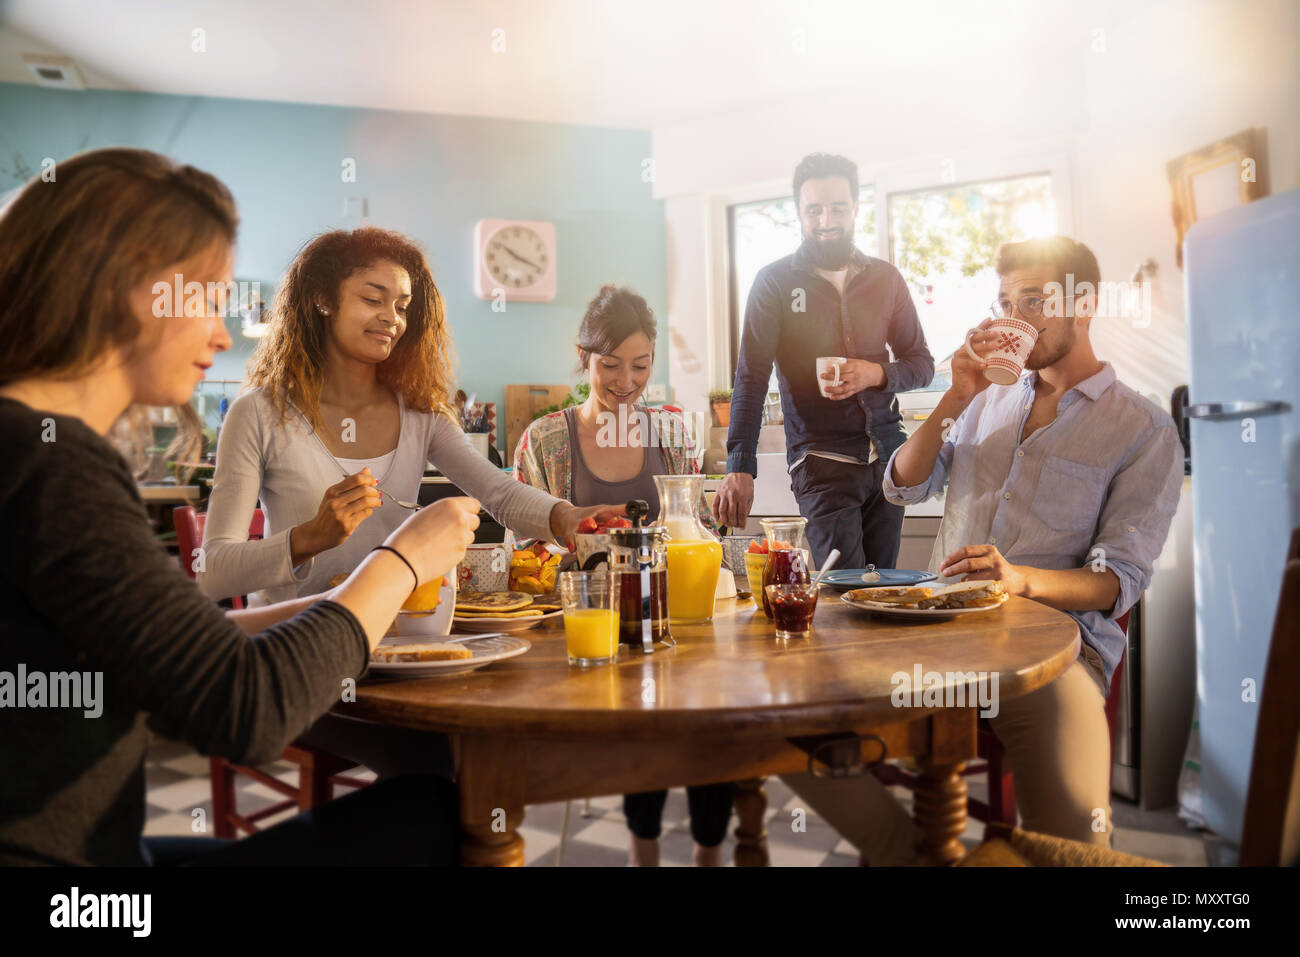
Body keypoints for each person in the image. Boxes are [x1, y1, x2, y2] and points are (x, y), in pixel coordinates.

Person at [0, 148, 478, 866]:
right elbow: (245, 708)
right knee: (434, 813)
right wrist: (401, 561)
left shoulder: (24, 449)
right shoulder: (50, 468)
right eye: (208, 300)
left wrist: (346, 599)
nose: (222, 335)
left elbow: (172, 652)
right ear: (123, 289)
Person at [786, 236, 1184, 859]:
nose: (1014, 316)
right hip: (939, 633)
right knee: (789, 714)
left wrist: (1019, 580)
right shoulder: (983, 402)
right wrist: (956, 392)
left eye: (1034, 298)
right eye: (1004, 301)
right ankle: (910, 857)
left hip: (1053, 652)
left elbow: (1116, 581)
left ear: (1085, 303)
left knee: (1073, 840)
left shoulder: (1143, 429)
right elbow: (903, 485)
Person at [196, 227, 624, 779]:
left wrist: (565, 515)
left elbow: (496, 490)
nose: (392, 318)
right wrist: (309, 537)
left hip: (403, 652)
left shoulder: (420, 412)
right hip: (303, 659)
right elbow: (213, 572)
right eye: (372, 298)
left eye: (401, 305)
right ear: (323, 299)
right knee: (445, 764)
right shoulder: (257, 413)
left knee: (479, 745)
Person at [513, 285, 733, 866]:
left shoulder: (672, 431)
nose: (625, 381)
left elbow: (699, 526)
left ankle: (710, 855)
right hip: (593, 629)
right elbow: (525, 558)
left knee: (716, 720)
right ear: (583, 356)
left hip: (675, 620)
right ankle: (645, 853)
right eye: (610, 365)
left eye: (640, 366)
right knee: (645, 719)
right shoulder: (547, 439)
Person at [713, 152, 934, 569]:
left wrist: (876, 373)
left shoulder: (886, 279)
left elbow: (921, 364)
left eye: (837, 207)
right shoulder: (774, 282)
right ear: (799, 211)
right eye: (814, 209)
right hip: (820, 462)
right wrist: (740, 465)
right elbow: (752, 378)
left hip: (889, 457)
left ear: (855, 208)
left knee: (883, 591)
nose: (826, 219)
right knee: (844, 591)